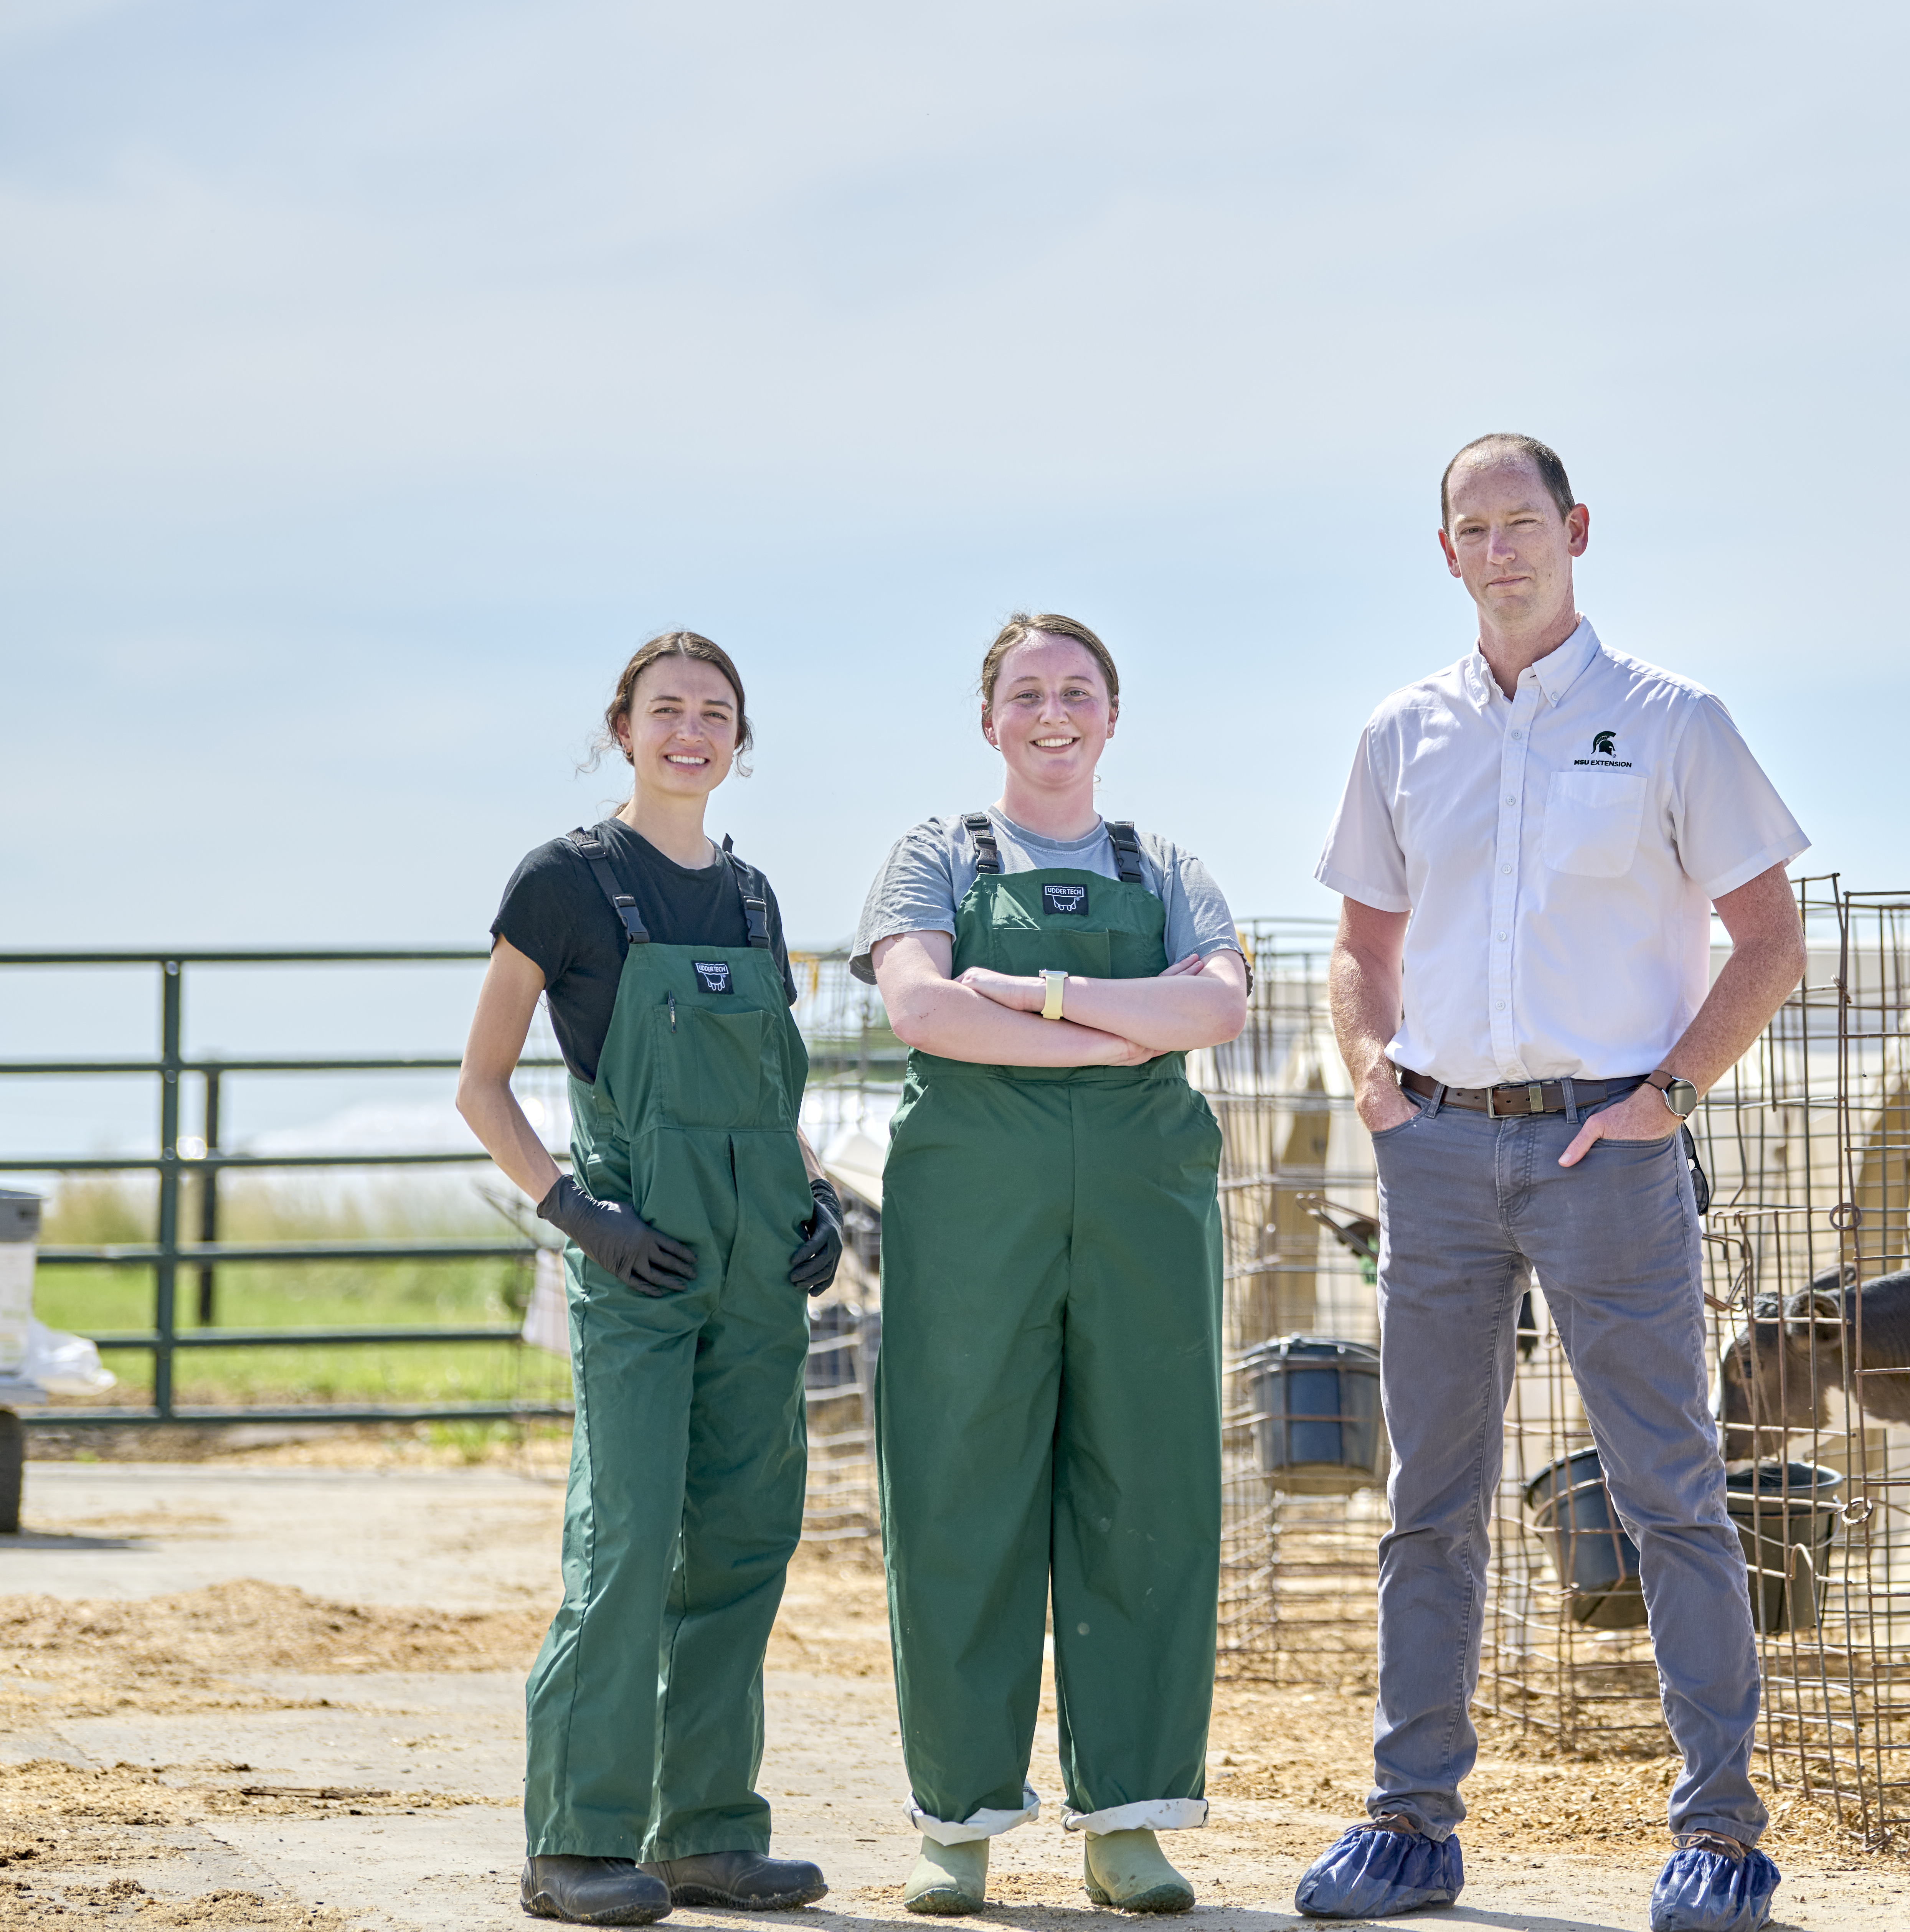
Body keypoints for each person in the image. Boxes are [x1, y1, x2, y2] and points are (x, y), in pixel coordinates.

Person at [1296, 436, 1811, 1932]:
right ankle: (1408, 1823)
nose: (1501, 547)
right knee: (1425, 1500)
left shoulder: (1669, 723)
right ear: (1442, 552)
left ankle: (1719, 1833)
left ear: (1575, 531)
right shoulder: (1402, 733)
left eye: (1524, 521)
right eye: (1473, 527)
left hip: (1608, 1150)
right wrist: (1370, 1074)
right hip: (1438, 1152)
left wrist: (1669, 1094)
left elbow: (1766, 937)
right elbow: (1359, 943)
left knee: (1669, 1491)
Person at [851, 612, 1248, 1916]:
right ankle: (956, 1821)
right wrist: (1117, 1037)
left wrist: (1038, 999)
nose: (1052, 712)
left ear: (1113, 715)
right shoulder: (934, 855)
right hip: (974, 1211)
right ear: (989, 720)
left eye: (1078, 690)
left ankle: (1129, 1820)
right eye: (1027, 692)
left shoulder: (1173, 863)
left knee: (1148, 1482)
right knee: (960, 1482)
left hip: (1143, 1210)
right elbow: (918, 1004)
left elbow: (1217, 1006)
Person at [457, 632, 844, 1927]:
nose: (692, 731)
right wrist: (576, 1213)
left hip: (754, 1269)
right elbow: (482, 1084)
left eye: (716, 713)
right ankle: (574, 1838)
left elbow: (769, 1093)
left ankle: (709, 1832)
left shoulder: (753, 896)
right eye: (667, 710)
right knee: (624, 1539)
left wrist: (818, 1205)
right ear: (622, 727)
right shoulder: (566, 880)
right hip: (639, 1256)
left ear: (741, 738)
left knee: (743, 1539)